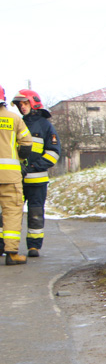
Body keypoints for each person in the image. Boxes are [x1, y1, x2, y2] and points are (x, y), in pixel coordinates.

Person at [13, 90, 61, 257]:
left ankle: (34, 246)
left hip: (37, 180)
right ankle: (5, 246)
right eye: (20, 105)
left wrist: (33, 166)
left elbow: (53, 153)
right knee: (10, 212)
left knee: (35, 213)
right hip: (17, 179)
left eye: (25, 103)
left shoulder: (46, 126)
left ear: (34, 104)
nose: (22, 107)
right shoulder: (18, 122)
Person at [0, 85, 34, 265]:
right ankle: (12, 254)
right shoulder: (14, 119)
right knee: (12, 211)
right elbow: (27, 144)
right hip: (9, 176)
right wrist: (18, 156)